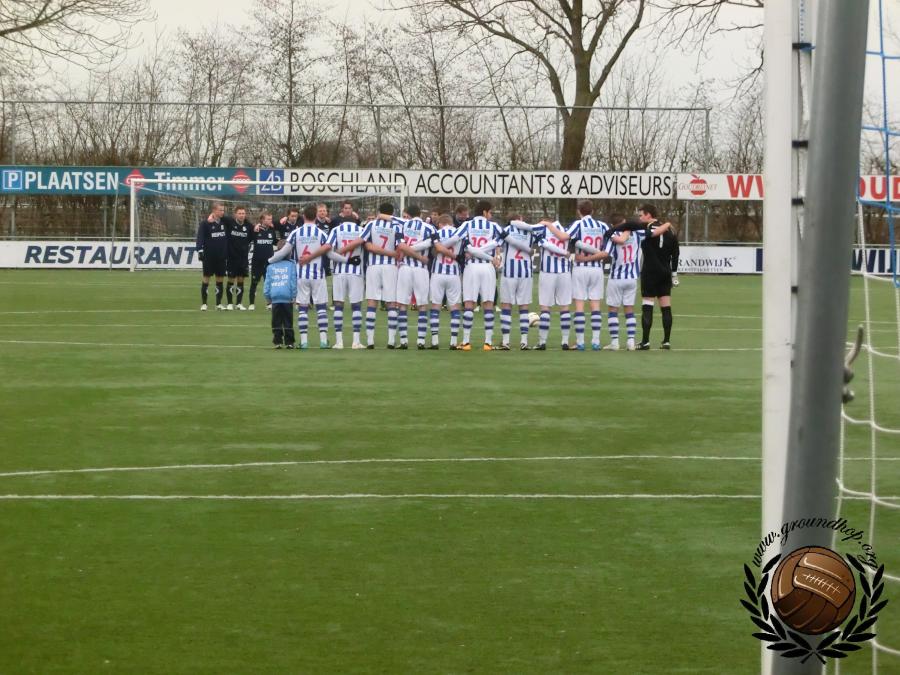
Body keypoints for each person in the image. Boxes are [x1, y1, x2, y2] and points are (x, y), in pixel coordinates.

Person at [269, 204, 332, 349]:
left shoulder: (295, 233)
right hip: (318, 275)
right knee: (321, 307)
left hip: (301, 275)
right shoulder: (321, 233)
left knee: (303, 308)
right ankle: (323, 341)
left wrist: (270, 260)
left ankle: (304, 342)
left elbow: (283, 252)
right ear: (316, 216)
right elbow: (330, 252)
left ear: (303, 217)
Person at [455, 200, 503, 351]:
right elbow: (502, 240)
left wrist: (468, 250)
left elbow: (456, 238)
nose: (491, 215)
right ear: (484, 212)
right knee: (488, 304)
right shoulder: (494, 226)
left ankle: (466, 342)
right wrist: (496, 257)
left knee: (469, 303)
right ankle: (487, 343)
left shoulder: (467, 225)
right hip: (488, 267)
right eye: (490, 212)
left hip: (472, 267)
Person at [566, 200, 610, 351]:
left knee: (579, 305)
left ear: (579, 211)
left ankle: (580, 342)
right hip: (597, 269)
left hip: (580, 268)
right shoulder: (602, 226)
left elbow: (566, 237)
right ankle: (596, 342)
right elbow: (608, 246)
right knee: (595, 305)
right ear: (592, 211)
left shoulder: (578, 224)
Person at [499, 215, 544, 350]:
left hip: (509, 273)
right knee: (524, 307)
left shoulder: (506, 230)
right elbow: (542, 234)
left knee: (506, 306)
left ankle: (506, 342)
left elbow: (497, 244)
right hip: (526, 273)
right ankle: (524, 341)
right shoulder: (530, 232)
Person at [361, 202, 403, 348]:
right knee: (391, 302)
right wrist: (393, 254)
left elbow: (367, 245)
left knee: (372, 302)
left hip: (373, 266)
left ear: (379, 211)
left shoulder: (371, 224)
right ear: (392, 213)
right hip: (390, 267)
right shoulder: (396, 225)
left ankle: (370, 341)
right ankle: (391, 341)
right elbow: (400, 247)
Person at [635, 203, 677, 350]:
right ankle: (666, 341)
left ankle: (645, 341)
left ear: (648, 215)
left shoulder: (645, 229)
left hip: (650, 272)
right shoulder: (670, 230)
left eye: (641, 215)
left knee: (647, 306)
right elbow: (676, 254)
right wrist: (674, 273)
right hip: (665, 272)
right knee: (666, 307)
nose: (639, 218)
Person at [395, 204, 435, 349]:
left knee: (402, 304)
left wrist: (407, 250)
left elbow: (401, 246)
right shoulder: (429, 228)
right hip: (421, 269)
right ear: (420, 214)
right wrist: (420, 255)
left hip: (405, 268)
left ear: (408, 214)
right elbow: (433, 245)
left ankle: (404, 341)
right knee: (422, 305)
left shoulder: (402, 225)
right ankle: (421, 341)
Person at [325, 210, 367, 349]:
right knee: (356, 306)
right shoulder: (361, 230)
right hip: (356, 272)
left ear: (342, 222)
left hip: (339, 272)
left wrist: (344, 259)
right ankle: (356, 341)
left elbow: (328, 252)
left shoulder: (336, 230)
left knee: (338, 305)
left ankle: (339, 342)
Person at [603, 214, 642, 351]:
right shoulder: (637, 234)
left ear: (613, 225)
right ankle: (631, 342)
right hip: (632, 278)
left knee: (613, 310)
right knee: (629, 309)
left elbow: (606, 253)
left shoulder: (612, 236)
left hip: (616, 277)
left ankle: (615, 342)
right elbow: (651, 232)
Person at [535, 219, 574, 350]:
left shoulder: (543, 231)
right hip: (564, 272)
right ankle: (565, 341)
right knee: (565, 307)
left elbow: (546, 244)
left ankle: (542, 342)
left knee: (545, 307)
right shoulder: (566, 231)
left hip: (547, 272)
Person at [430, 214, 463, 349]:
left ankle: (434, 341)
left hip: (438, 273)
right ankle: (453, 341)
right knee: (454, 307)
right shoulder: (459, 233)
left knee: (435, 306)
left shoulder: (436, 233)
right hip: (454, 273)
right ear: (451, 223)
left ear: (440, 224)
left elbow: (433, 252)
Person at [264, 240, 297, 349]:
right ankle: (289, 342)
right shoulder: (291, 265)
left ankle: (277, 341)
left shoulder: (270, 266)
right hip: (287, 296)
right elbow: (293, 281)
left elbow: (267, 283)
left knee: (276, 321)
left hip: (275, 296)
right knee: (288, 320)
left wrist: (267, 296)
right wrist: (294, 295)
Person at [195, 202, 228, 311]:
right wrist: (200, 250)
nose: (222, 212)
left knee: (220, 280)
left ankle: (218, 304)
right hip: (209, 256)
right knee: (206, 279)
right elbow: (200, 237)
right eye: (220, 210)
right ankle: (204, 304)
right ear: (214, 210)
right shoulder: (205, 223)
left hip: (221, 256)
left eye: (223, 210)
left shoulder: (225, 222)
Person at [223, 206, 252, 310]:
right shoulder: (230, 223)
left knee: (241, 280)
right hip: (232, 258)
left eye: (243, 213)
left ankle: (239, 303)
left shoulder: (249, 226)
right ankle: (230, 303)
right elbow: (220, 216)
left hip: (243, 258)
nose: (241, 215)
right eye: (239, 213)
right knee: (231, 280)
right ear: (235, 214)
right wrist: (212, 216)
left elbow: (252, 236)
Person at [248, 211, 276, 310]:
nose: (270, 221)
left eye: (271, 219)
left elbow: (275, 242)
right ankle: (251, 304)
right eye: (268, 219)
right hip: (257, 262)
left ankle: (269, 303)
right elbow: (249, 238)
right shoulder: (256, 230)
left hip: (269, 262)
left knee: (269, 283)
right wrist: (256, 227)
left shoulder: (272, 230)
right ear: (262, 220)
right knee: (254, 282)